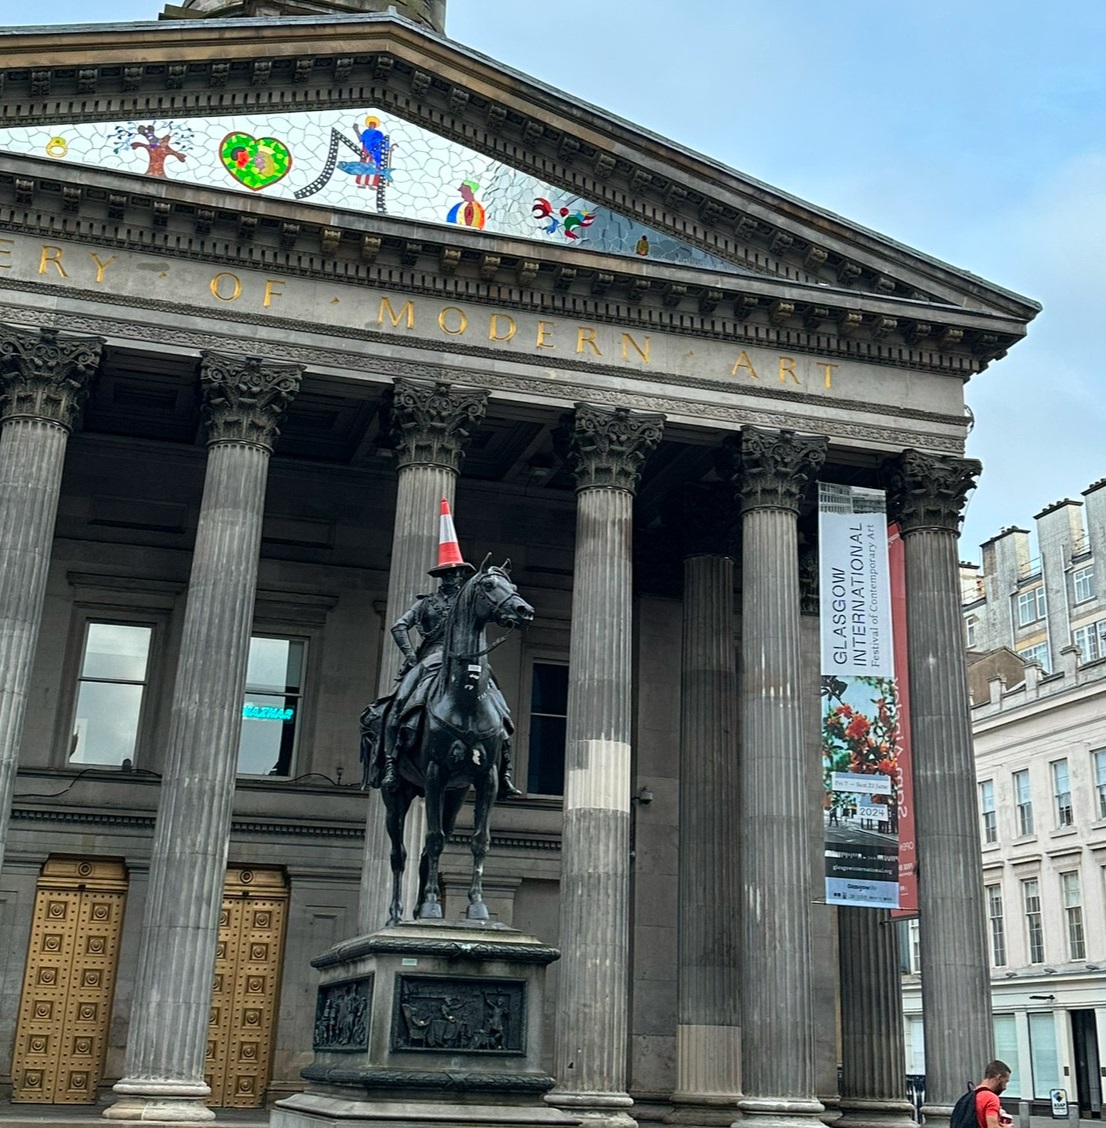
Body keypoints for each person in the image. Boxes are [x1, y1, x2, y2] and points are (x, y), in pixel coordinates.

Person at [974, 1060, 1011, 1128]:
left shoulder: (973, 1095)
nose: (1005, 1087)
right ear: (999, 1077)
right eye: (1005, 1082)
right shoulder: (991, 1098)